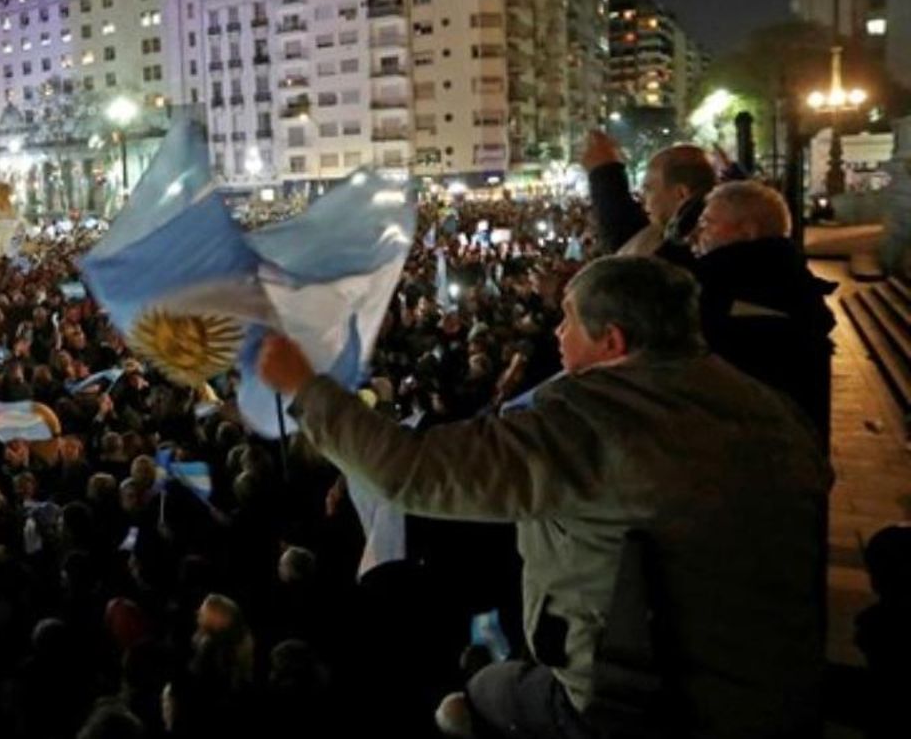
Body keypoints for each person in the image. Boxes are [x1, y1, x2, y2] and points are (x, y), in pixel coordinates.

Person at [258, 256, 829, 738]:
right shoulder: (766, 404)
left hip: (643, 701)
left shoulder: (587, 420)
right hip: (780, 680)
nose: (556, 333)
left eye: (569, 318)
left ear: (613, 341)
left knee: (476, 695)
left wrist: (305, 387)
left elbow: (409, 472)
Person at [692, 180, 835, 444]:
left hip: (749, 455)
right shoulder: (789, 281)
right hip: (796, 455)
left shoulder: (732, 287)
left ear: (747, 231)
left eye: (708, 224)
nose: (698, 234)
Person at [583, 131, 715, 262]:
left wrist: (605, 173)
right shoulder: (704, 239)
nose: (643, 199)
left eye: (649, 189)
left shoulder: (691, 252)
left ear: (681, 194)